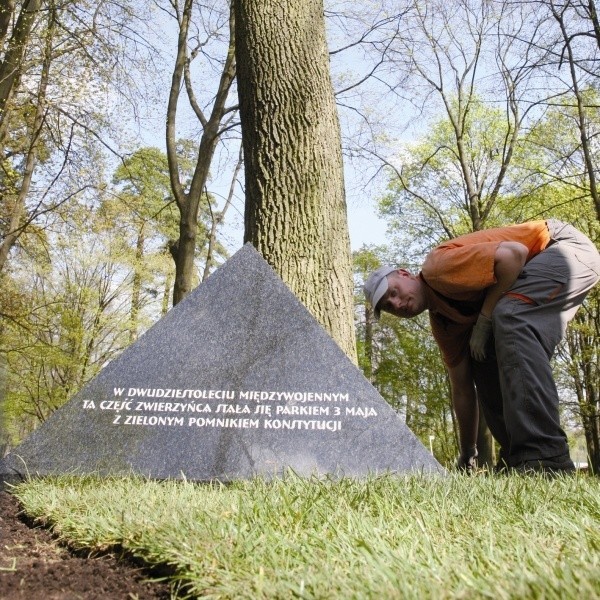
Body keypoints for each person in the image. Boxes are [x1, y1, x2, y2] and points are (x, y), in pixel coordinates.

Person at [364, 219, 600, 474]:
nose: (397, 304)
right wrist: (468, 452)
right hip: (546, 272)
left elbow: (514, 255)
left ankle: (545, 456)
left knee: (509, 315)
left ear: (404, 274)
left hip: (564, 250)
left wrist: (484, 320)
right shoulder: (444, 324)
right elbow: (462, 389)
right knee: (483, 355)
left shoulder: (438, 268)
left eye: (394, 292)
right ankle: (517, 458)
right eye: (389, 306)